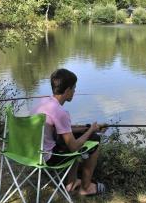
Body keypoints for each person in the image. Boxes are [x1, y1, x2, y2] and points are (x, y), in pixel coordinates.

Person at [31, 68, 106, 196]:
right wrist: (91, 130)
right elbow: (73, 147)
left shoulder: (42, 103)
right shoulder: (61, 112)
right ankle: (85, 188)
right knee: (94, 139)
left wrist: (85, 128)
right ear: (67, 90)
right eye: (74, 88)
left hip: (30, 153)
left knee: (77, 137)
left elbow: (60, 128)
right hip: (48, 158)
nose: (75, 92)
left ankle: (72, 182)